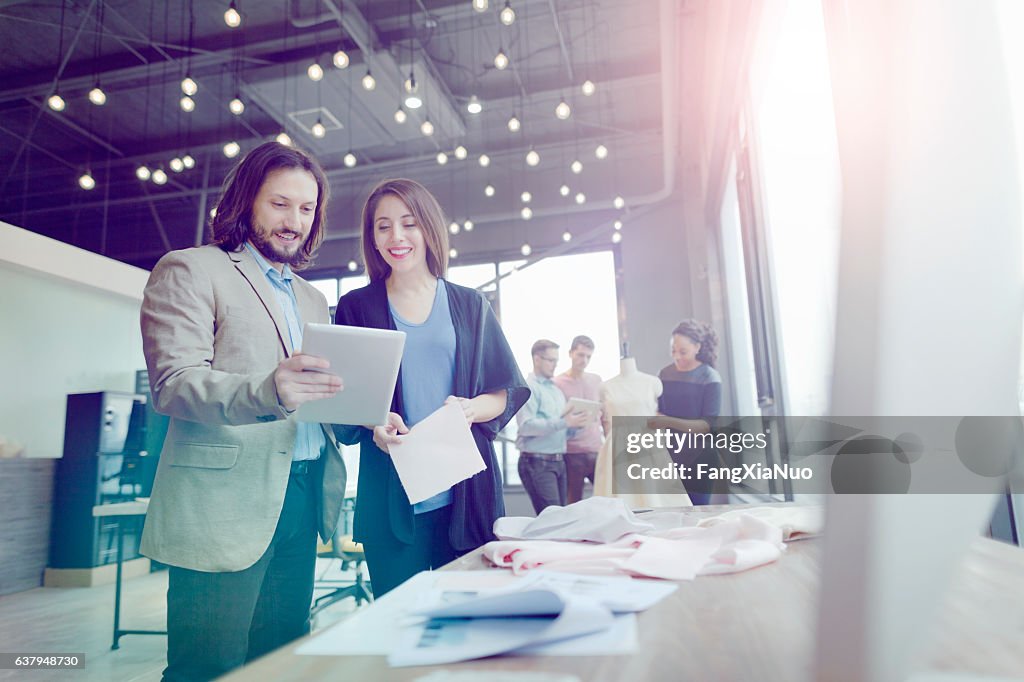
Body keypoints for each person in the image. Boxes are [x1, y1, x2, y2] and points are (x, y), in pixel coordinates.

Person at [139, 141, 348, 681]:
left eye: (307, 210)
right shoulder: (190, 269)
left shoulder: (312, 299)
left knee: (278, 659)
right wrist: (267, 390)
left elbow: (315, 394)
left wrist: (361, 413)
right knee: (207, 667)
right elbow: (174, 383)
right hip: (222, 503)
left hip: (302, 494)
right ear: (246, 199)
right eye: (281, 204)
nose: (294, 222)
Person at [333, 178, 528, 597]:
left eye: (409, 223)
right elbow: (342, 403)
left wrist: (471, 409)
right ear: (372, 237)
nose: (396, 237)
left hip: (465, 494)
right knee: (400, 621)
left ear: (429, 228)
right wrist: (373, 424)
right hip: (390, 495)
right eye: (382, 226)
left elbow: (507, 389)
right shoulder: (356, 307)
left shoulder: (469, 304)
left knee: (468, 617)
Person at [594, 354, 691, 508]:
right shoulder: (605, 387)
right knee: (620, 499)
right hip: (616, 447)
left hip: (647, 444)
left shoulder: (652, 382)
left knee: (654, 496)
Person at [648, 319, 723, 505]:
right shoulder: (664, 374)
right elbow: (656, 412)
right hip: (669, 457)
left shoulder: (710, 377)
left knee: (696, 515)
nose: (677, 357)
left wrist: (667, 421)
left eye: (683, 352)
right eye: (673, 350)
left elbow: (707, 426)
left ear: (697, 347)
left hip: (700, 458)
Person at [516, 339, 590, 513]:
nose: (555, 365)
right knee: (553, 518)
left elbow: (559, 430)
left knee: (560, 517)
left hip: (558, 461)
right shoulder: (529, 388)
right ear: (537, 359)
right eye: (551, 360)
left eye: (556, 361)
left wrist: (574, 426)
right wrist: (565, 422)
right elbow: (526, 426)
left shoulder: (556, 391)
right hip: (537, 462)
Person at [552, 335, 604, 504]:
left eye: (588, 356)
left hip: (597, 450)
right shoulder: (557, 383)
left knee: (608, 500)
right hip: (571, 453)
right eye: (581, 355)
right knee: (573, 503)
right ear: (570, 353)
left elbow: (604, 414)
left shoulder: (596, 380)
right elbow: (556, 417)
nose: (584, 360)